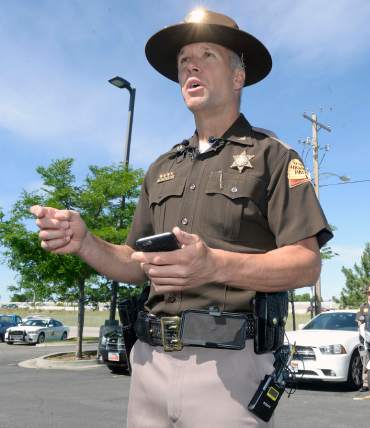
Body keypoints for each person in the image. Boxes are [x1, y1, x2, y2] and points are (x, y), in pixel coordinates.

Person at [30, 8, 332, 428]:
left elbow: (306, 262)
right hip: (149, 367)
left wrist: (214, 264)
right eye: (183, 60)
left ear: (237, 76)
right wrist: (86, 242)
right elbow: (136, 264)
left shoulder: (274, 157)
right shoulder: (161, 168)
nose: (190, 65)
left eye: (207, 54)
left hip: (228, 371)